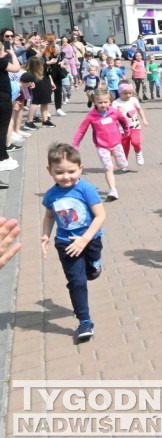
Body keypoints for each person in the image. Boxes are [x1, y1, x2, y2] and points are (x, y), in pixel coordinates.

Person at [41, 143, 108, 341]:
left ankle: (95, 264)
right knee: (77, 281)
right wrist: (45, 235)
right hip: (66, 243)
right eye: (59, 172)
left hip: (91, 240)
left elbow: (100, 216)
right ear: (50, 171)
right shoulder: (51, 195)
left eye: (71, 171)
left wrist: (85, 240)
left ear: (80, 168)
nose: (66, 176)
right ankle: (84, 321)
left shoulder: (86, 189)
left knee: (91, 273)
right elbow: (49, 217)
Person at [72, 89, 131, 200]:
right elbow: (82, 130)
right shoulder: (91, 116)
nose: (103, 105)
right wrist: (76, 144)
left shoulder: (114, 111)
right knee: (109, 168)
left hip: (116, 143)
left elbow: (123, 120)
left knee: (123, 165)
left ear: (110, 101)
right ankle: (113, 190)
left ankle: (118, 160)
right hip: (102, 146)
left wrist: (126, 131)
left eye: (105, 102)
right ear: (94, 102)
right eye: (100, 102)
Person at [0, 28, 23, 178]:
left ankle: (3, 155)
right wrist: (12, 54)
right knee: (2, 128)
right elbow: (16, 68)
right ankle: (2, 157)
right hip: (2, 96)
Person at [112, 83, 149, 168]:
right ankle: (124, 165)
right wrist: (118, 112)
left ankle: (138, 153)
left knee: (136, 142)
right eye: (125, 93)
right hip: (122, 130)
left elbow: (140, 110)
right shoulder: (116, 103)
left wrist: (144, 119)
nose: (128, 95)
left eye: (130, 93)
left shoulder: (134, 100)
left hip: (134, 126)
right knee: (125, 148)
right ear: (120, 93)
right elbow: (113, 116)